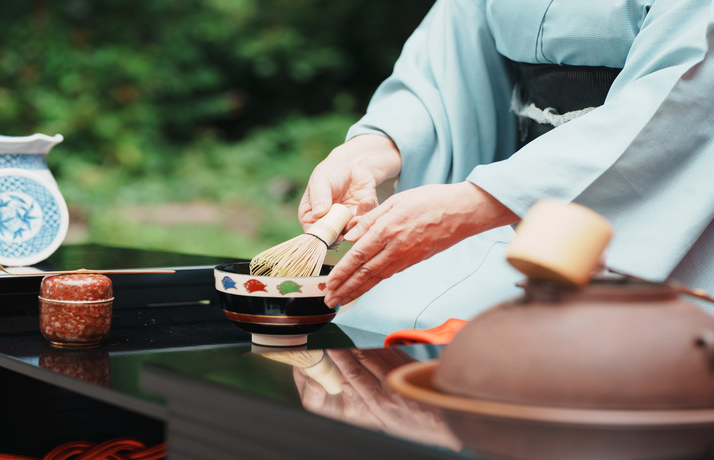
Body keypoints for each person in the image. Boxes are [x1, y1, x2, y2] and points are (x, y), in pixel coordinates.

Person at [299, 0, 714, 338]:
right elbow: (441, 73)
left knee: (577, 356)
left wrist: (479, 202)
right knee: (374, 321)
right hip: (505, 196)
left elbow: (680, 100)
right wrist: (371, 150)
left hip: (639, 222)